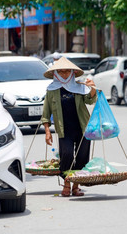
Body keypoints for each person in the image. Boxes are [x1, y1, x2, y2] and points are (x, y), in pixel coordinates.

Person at [41, 57, 97, 197]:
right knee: (66, 155)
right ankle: (66, 183)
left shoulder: (79, 87)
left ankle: (76, 186)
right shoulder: (52, 90)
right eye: (61, 72)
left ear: (72, 73)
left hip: (83, 128)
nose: (64, 74)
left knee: (82, 157)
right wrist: (47, 131)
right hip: (64, 129)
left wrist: (92, 88)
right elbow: (46, 113)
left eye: (67, 72)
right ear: (56, 73)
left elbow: (90, 100)